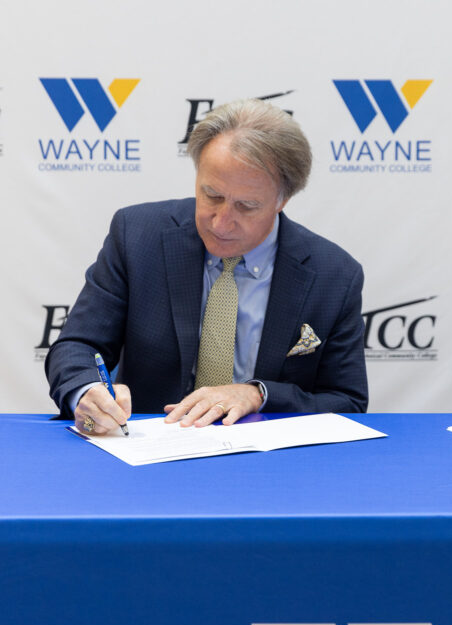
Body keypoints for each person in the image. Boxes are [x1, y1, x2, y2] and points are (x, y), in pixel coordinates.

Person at [46, 99, 368, 435]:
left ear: (282, 199)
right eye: (211, 195)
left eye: (246, 206)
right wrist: (87, 392)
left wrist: (259, 394)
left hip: (270, 467)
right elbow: (78, 345)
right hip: (148, 455)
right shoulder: (137, 236)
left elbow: (347, 402)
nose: (221, 222)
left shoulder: (334, 275)